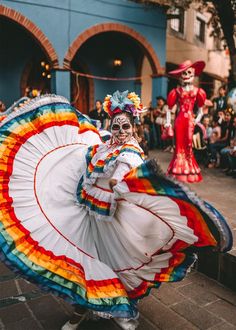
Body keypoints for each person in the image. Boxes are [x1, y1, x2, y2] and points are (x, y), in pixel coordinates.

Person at [0, 92, 232, 330]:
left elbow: (126, 179)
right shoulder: (106, 145)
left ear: (134, 128)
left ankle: (118, 309)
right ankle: (83, 308)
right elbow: (88, 156)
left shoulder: (130, 153)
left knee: (114, 264)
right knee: (85, 262)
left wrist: (117, 183)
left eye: (125, 127)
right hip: (90, 216)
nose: (120, 131)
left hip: (115, 221)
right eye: (116, 126)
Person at [165, 60, 207, 183]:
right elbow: (169, 109)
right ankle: (177, 170)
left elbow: (201, 110)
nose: (187, 75)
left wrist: (196, 121)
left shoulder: (198, 92)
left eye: (189, 72)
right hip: (180, 120)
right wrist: (168, 122)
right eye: (184, 72)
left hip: (189, 121)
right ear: (180, 76)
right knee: (178, 145)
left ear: (193, 74)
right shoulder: (176, 92)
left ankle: (189, 170)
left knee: (188, 145)